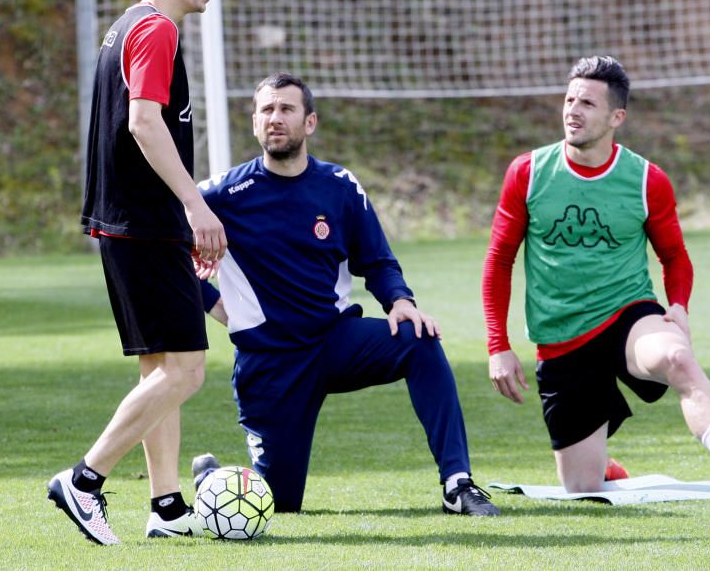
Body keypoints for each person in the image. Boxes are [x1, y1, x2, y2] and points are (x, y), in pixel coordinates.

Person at [190, 72, 500, 516]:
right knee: (277, 504)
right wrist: (215, 306)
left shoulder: (339, 186)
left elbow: (377, 261)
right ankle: (212, 481)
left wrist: (401, 303)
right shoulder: (222, 194)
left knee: (420, 340)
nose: (275, 119)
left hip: (334, 341)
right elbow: (165, 251)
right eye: (266, 110)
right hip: (270, 363)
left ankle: (458, 484)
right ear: (254, 123)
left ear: (310, 122)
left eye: (286, 109)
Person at [482, 55, 710, 502]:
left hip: (627, 317)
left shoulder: (647, 180)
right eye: (569, 100)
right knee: (581, 487)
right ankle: (601, 463)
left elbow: (675, 257)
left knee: (677, 358)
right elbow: (498, 261)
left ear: (616, 117)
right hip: (561, 337)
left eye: (587, 103)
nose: (572, 110)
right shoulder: (527, 173)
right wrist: (498, 347)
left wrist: (677, 306)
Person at [46, 0, 228, 545]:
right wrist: (195, 205)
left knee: (160, 368)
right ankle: (85, 480)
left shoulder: (127, 24)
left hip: (128, 222)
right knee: (188, 371)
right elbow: (144, 124)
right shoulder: (154, 30)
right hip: (145, 223)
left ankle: (168, 505)